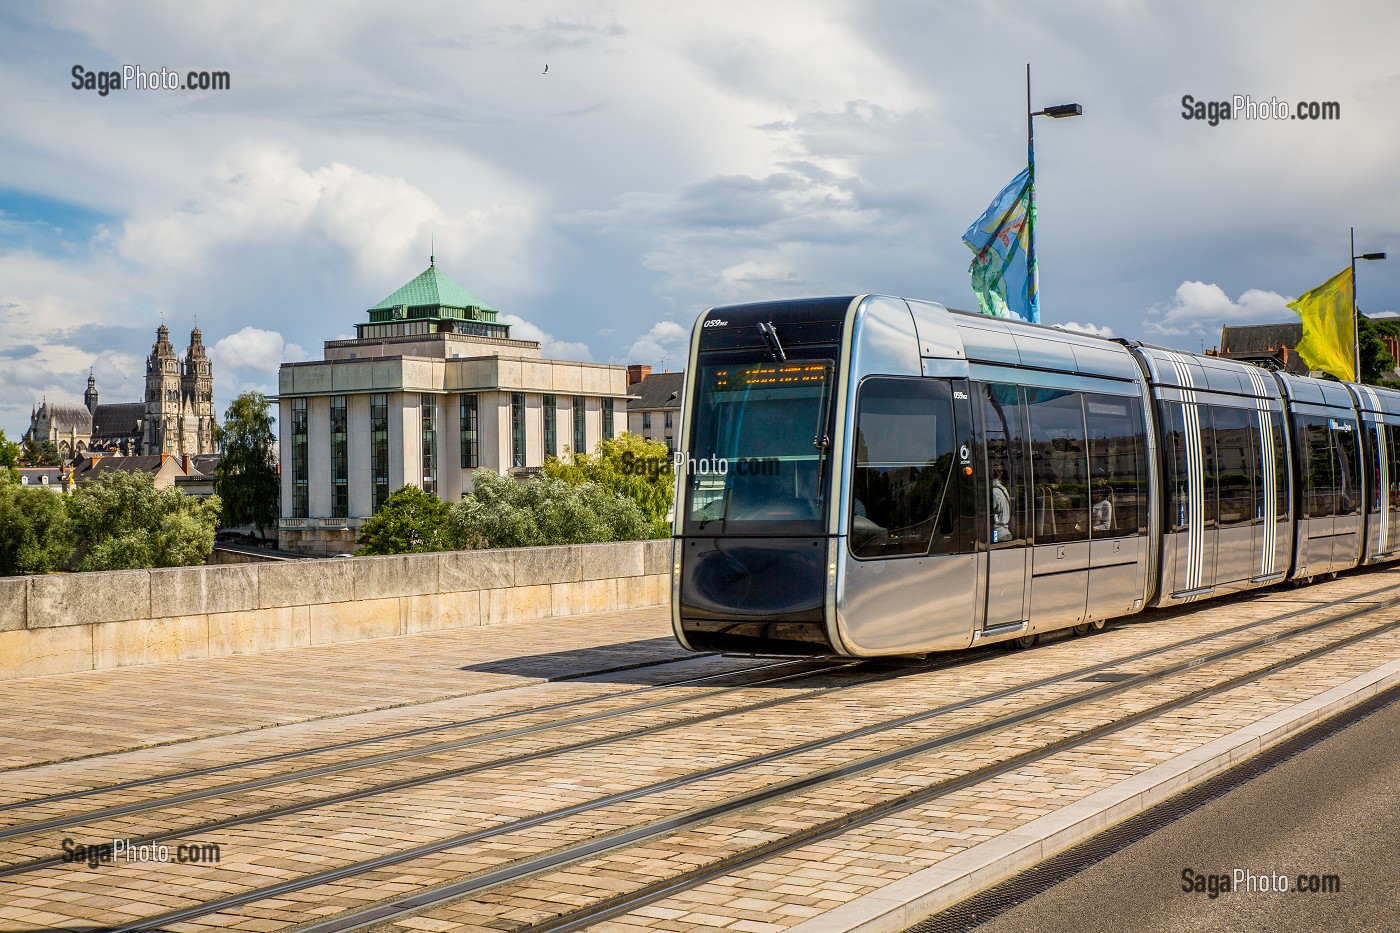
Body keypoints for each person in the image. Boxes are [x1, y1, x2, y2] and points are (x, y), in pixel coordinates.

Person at [991, 463, 1012, 543]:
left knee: (994, 544)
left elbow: (994, 513)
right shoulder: (1003, 489)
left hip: (998, 533)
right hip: (1006, 532)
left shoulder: (994, 491)